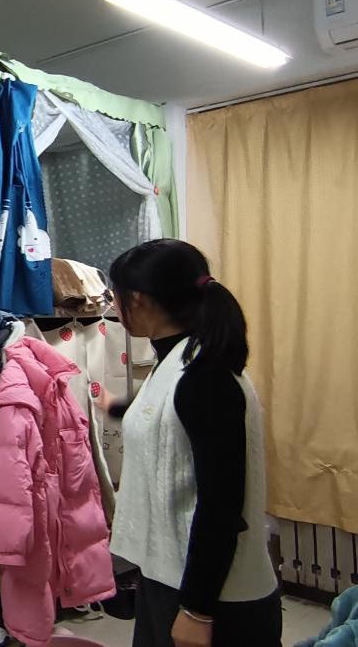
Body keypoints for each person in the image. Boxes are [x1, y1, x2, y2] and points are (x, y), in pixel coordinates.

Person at [101, 239, 280, 647]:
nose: (114, 308)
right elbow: (167, 418)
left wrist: (198, 610)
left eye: (115, 298)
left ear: (137, 299)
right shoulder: (179, 359)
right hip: (170, 575)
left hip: (213, 595)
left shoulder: (205, 376)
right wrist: (113, 406)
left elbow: (222, 504)